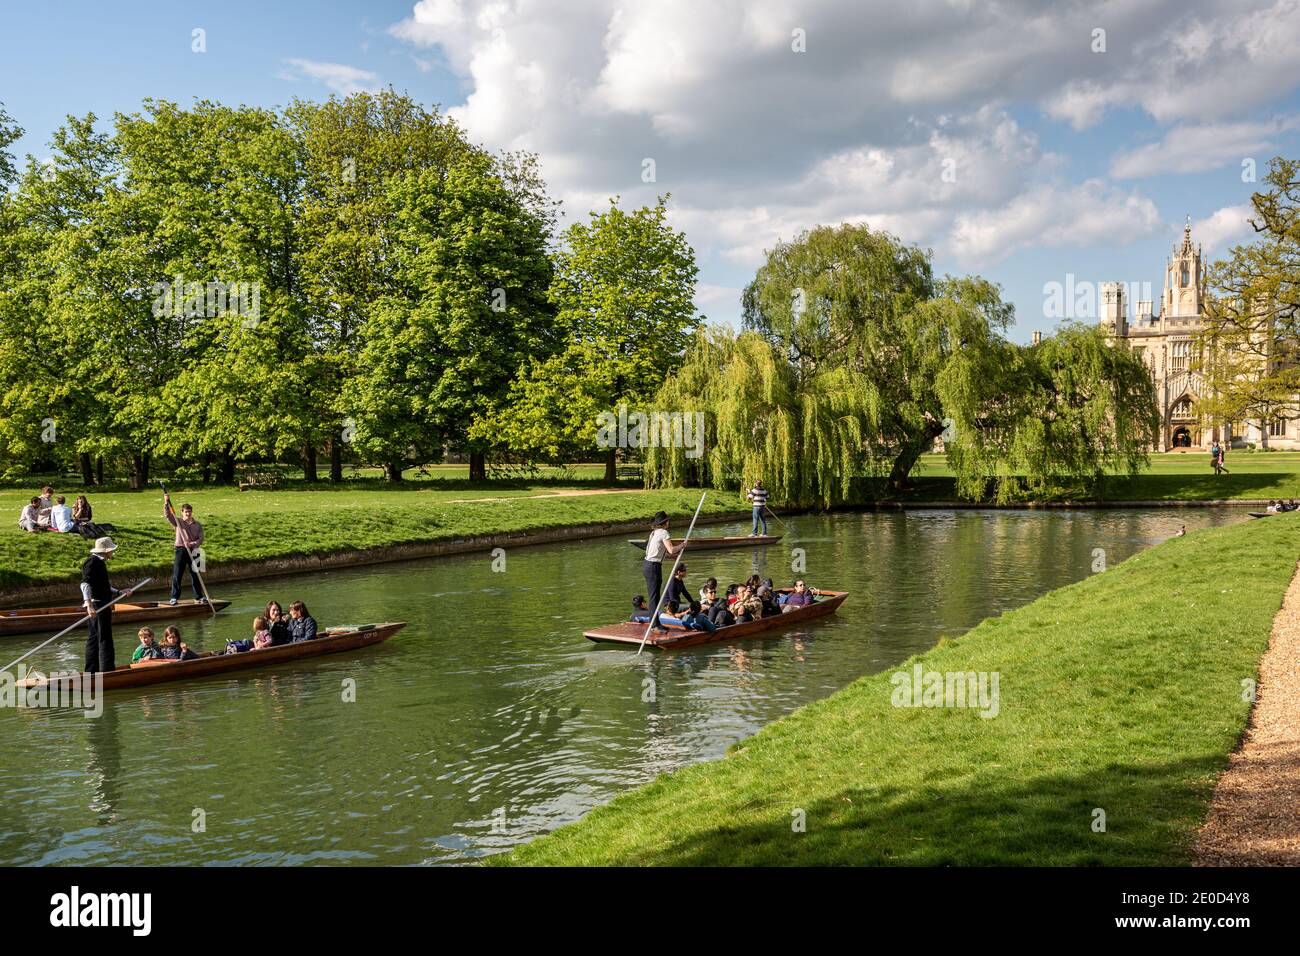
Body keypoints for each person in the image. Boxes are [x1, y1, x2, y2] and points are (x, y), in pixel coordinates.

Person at [80, 536, 133, 673]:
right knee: (104, 639)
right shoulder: (92, 562)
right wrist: (89, 604)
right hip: (98, 606)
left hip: (101, 604)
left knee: (95, 637)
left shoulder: (99, 562)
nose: (112, 553)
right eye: (111, 550)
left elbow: (103, 586)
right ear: (106, 551)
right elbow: (85, 584)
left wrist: (118, 592)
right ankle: (107, 671)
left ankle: (92, 671)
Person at [164, 492, 205, 606]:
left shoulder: (198, 525)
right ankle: (174, 597)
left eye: (189, 512)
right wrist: (166, 501)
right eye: (185, 512)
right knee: (177, 574)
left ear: (192, 512)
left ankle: (199, 597)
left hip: (195, 550)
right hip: (181, 550)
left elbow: (201, 539)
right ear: (182, 513)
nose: (188, 514)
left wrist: (192, 544)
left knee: (196, 574)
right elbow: (167, 515)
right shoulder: (178, 522)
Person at [642, 511, 681, 632]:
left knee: (655, 596)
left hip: (648, 565)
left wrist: (674, 554)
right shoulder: (664, 532)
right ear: (665, 522)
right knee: (654, 597)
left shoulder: (654, 533)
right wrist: (682, 545)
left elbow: (660, 552)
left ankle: (655, 623)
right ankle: (654, 625)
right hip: (653, 567)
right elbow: (671, 549)